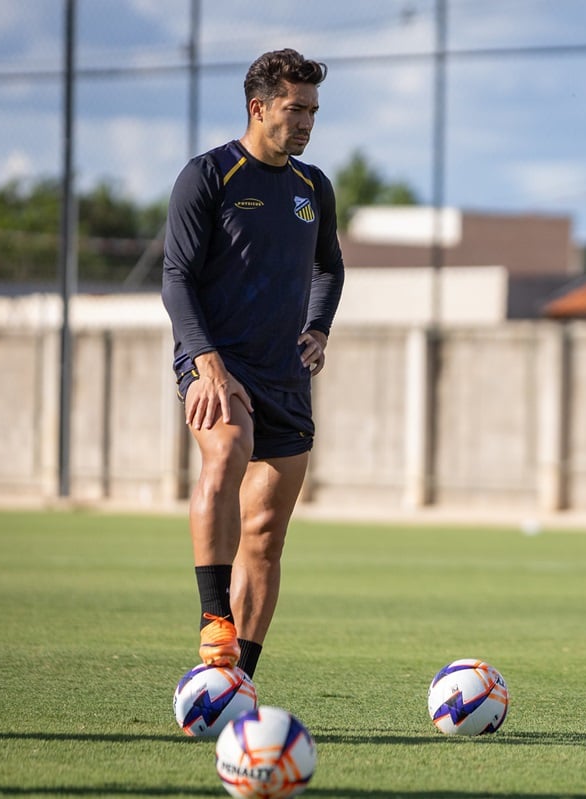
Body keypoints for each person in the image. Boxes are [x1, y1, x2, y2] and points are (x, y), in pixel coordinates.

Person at [161, 48, 345, 679]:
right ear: (258, 107)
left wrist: (318, 328)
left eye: (313, 111)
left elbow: (329, 267)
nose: (307, 122)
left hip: (284, 375)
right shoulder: (209, 175)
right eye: (295, 109)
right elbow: (176, 277)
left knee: (265, 535)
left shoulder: (312, 187)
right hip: (218, 362)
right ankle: (215, 622)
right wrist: (204, 359)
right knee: (229, 448)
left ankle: (236, 680)